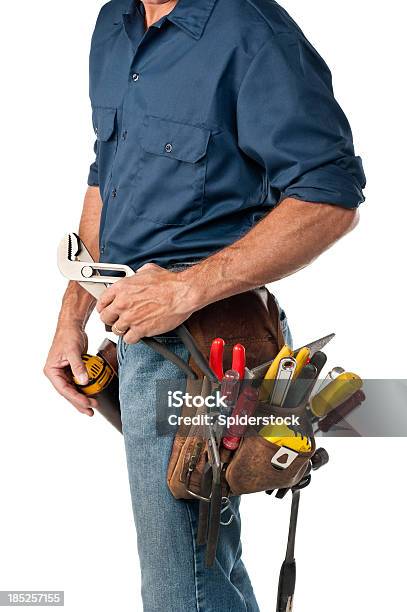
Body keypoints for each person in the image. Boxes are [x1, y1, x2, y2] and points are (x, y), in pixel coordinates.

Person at [44, 0, 365, 609]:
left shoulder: (252, 32)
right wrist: (71, 316)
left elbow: (330, 198)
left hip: (205, 352)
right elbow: (106, 175)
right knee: (197, 575)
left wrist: (186, 289)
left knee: (179, 590)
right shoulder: (115, 24)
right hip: (135, 342)